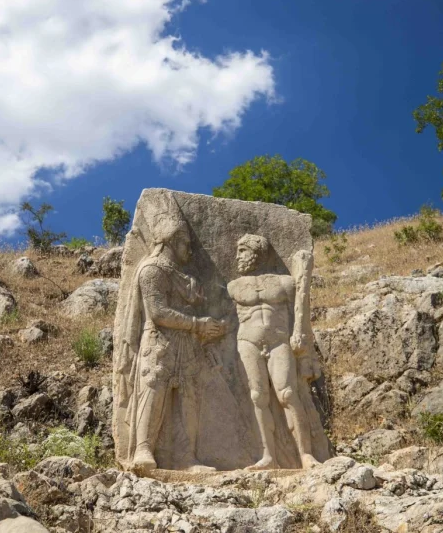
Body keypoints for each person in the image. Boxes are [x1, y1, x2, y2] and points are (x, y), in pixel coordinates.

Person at [113, 194, 225, 472]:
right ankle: (143, 450)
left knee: (190, 397)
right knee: (154, 392)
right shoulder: (151, 270)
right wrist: (198, 324)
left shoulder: (180, 274)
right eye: (185, 243)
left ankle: (188, 457)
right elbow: (158, 313)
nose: (190, 249)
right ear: (172, 241)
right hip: (158, 342)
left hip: (185, 344)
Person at [227, 234, 319, 469]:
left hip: (279, 341)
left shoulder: (285, 282)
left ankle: (306, 454)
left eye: (243, 251)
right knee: (258, 396)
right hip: (247, 341)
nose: (238, 257)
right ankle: (268, 456)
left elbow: (301, 310)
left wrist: (301, 335)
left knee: (287, 394)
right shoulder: (233, 286)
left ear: (257, 253)